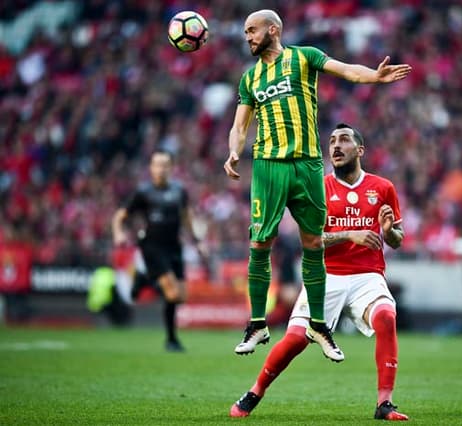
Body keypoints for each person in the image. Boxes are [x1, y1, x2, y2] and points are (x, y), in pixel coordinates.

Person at [223, 9, 412, 361]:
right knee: (260, 241)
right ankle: (257, 323)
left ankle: (320, 325)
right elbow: (240, 125)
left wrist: (373, 76)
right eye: (245, 31)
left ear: (273, 30)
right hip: (268, 164)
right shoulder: (250, 79)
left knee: (312, 241)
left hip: (307, 162)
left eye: (252, 30)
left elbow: (346, 70)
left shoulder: (304, 57)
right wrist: (234, 152)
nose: (247, 36)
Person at [230, 123, 409, 420]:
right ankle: (254, 392)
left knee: (387, 317)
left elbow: (398, 239)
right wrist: (351, 234)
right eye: (332, 141)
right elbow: (310, 240)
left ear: (360, 150)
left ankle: (384, 403)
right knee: (296, 339)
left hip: (368, 275)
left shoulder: (383, 188)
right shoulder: (318, 187)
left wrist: (389, 232)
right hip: (326, 276)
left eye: (344, 140)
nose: (336, 146)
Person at [112, 149, 207, 352]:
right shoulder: (143, 192)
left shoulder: (179, 191)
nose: (161, 169)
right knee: (171, 293)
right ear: (151, 168)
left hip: (174, 246)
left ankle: (144, 279)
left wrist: (197, 240)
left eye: (165, 165)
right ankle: (171, 340)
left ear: (171, 168)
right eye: (157, 165)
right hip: (152, 246)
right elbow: (120, 216)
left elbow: (186, 216)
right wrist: (118, 234)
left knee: (180, 296)